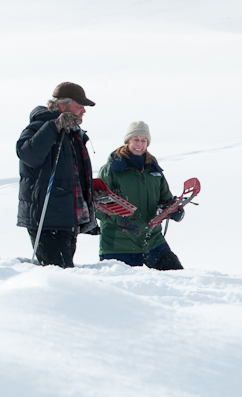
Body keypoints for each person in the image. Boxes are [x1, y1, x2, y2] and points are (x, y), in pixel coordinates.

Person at [16, 82, 98, 267]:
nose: (83, 111)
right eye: (79, 106)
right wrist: (54, 126)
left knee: (65, 272)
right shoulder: (38, 127)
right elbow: (28, 154)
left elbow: (76, 176)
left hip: (67, 218)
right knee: (60, 275)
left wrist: (92, 194)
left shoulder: (74, 134)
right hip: (46, 219)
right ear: (63, 106)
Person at [96, 121, 184, 270]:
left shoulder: (153, 171)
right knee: (123, 291)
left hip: (153, 240)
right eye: (135, 139)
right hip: (119, 244)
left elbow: (165, 199)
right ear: (128, 141)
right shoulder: (111, 170)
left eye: (144, 140)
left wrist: (174, 210)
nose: (140, 144)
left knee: (177, 278)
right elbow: (97, 205)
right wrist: (121, 220)